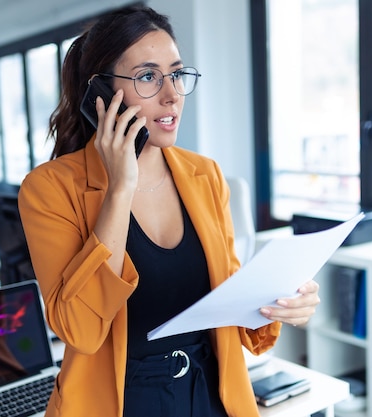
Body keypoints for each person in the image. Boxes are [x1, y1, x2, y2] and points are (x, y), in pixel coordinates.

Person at [18, 4, 320, 417]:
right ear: (102, 94)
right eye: (147, 77)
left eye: (176, 74)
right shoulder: (50, 189)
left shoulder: (206, 175)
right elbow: (80, 330)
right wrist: (120, 187)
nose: (172, 94)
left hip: (210, 395)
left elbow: (229, 303)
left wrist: (280, 303)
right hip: (120, 404)